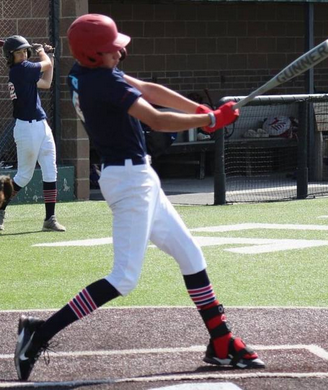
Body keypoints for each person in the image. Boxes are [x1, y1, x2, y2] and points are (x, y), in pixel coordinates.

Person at [14, 14, 265, 381]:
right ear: (93, 55)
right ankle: (40, 333)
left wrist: (199, 111)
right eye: (112, 49)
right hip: (130, 182)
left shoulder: (82, 71)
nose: (121, 51)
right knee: (125, 277)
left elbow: (148, 88)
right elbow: (156, 119)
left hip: (137, 176)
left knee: (190, 255)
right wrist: (209, 121)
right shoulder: (101, 81)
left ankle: (221, 341)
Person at [0, 35, 66, 232]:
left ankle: (50, 218)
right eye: (18, 52)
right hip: (27, 128)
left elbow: (46, 82)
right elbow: (44, 65)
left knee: (50, 170)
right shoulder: (21, 70)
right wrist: (43, 53)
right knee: (24, 176)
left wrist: (50, 55)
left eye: (24, 51)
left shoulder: (25, 71)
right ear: (10, 57)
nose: (23, 54)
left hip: (41, 125)